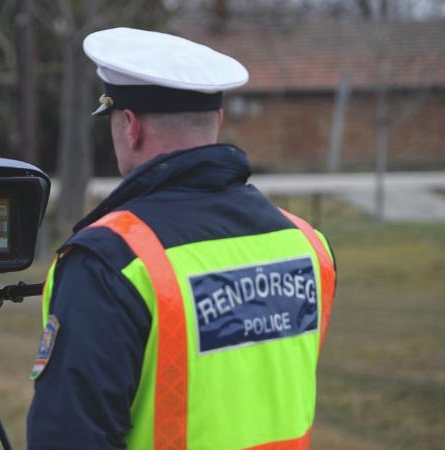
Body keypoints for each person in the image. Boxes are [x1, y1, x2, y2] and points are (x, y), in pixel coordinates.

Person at [27, 28, 336, 450]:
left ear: (131, 126)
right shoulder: (308, 245)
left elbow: (67, 437)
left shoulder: (111, 261)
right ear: (218, 120)